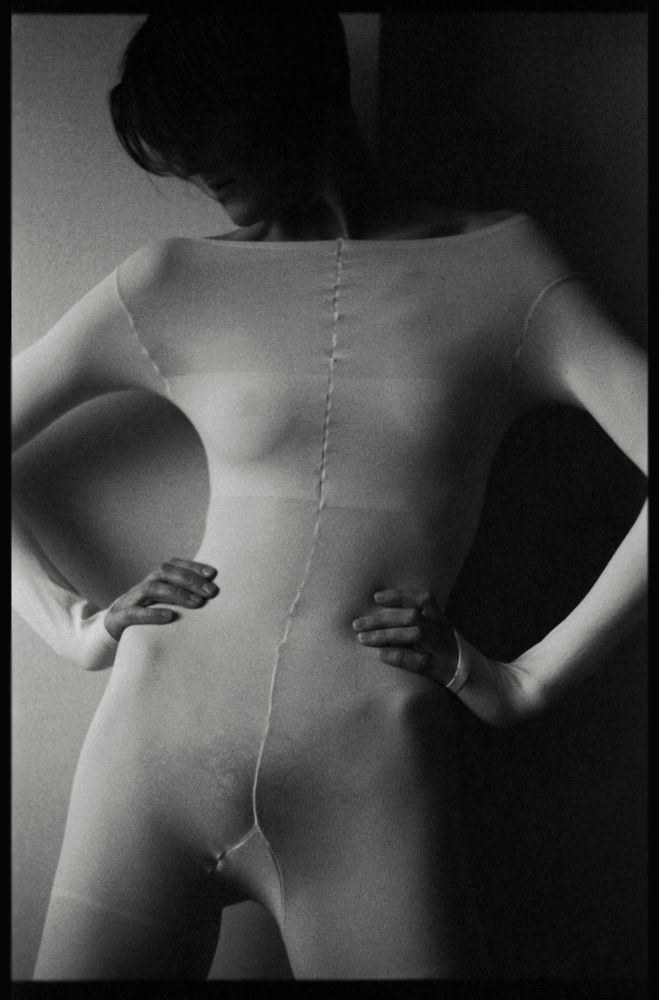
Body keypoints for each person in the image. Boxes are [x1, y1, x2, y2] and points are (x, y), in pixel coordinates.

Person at [12, 9, 647, 981]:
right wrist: (77, 627)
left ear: (296, 101)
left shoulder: (504, 268)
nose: (194, 171)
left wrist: (522, 682)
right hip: (152, 754)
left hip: (370, 776)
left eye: (208, 138)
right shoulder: (173, 278)